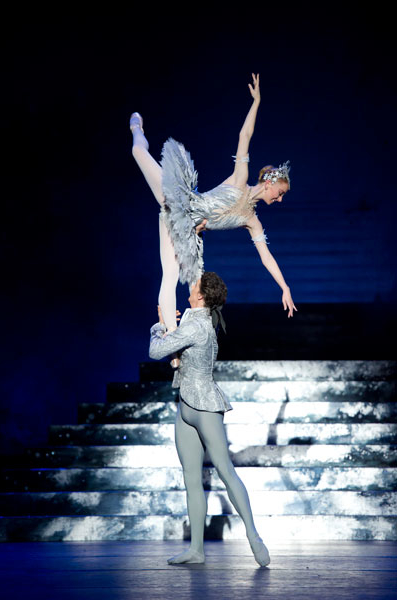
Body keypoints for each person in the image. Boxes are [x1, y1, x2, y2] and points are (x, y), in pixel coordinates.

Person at [131, 73, 297, 336]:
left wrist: (285, 287)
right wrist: (256, 103)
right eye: (280, 192)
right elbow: (245, 135)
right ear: (268, 182)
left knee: (174, 278)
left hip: (191, 234)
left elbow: (266, 257)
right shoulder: (240, 179)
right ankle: (137, 131)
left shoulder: (252, 221)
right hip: (182, 202)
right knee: (138, 152)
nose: (280, 199)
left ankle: (173, 348)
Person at [149, 271, 270, 567]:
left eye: (194, 285)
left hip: (205, 408)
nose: (190, 286)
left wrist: (158, 328)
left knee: (225, 470)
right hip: (186, 405)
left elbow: (155, 351)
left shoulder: (197, 328)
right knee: (192, 479)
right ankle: (196, 549)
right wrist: (169, 324)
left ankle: (254, 535)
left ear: (201, 295)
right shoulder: (193, 321)